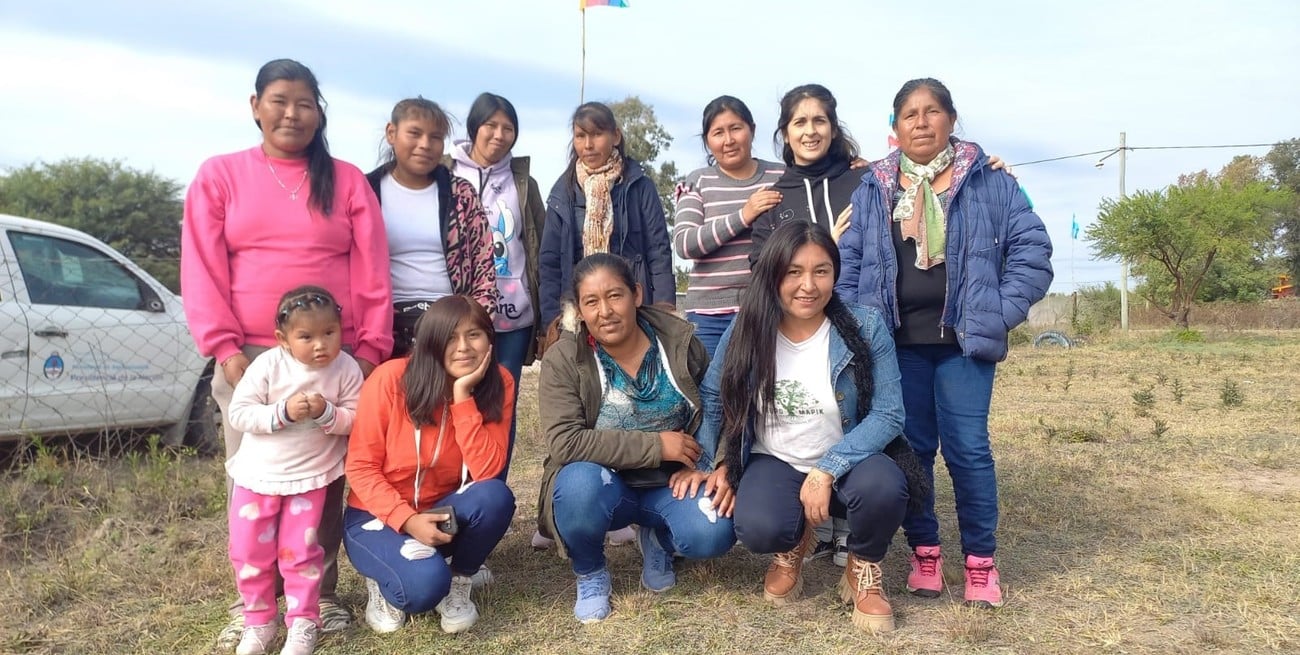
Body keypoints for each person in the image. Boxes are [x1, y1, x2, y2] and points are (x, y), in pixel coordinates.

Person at [181, 58, 392, 647]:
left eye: (304, 103)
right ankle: (254, 606)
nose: (291, 113)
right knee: (251, 480)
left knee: (321, 481)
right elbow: (201, 267)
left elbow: (372, 269)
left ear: (319, 114)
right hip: (249, 356)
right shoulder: (220, 175)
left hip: (333, 357)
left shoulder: (346, 181)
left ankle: (317, 601)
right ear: (256, 107)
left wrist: (368, 350)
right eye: (278, 101)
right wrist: (225, 348)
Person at [836, 78, 1053, 609]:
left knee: (968, 449)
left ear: (951, 119)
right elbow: (850, 266)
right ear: (895, 127)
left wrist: (997, 314)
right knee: (913, 451)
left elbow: (1032, 254)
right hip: (896, 346)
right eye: (909, 114)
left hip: (964, 344)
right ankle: (925, 553)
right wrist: (861, 328)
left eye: (932, 111)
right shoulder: (874, 187)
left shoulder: (989, 181)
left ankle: (981, 562)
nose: (921, 122)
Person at [697, 220, 927, 635]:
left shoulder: (865, 326)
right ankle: (792, 545)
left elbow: (889, 414)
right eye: (794, 272)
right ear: (773, 274)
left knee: (885, 488)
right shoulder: (747, 328)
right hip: (776, 458)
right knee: (759, 528)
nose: (808, 285)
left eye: (821, 271)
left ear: (835, 274)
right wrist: (709, 462)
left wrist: (827, 469)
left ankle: (863, 564)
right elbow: (714, 395)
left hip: (851, 459)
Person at [536, 253, 736, 623]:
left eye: (615, 296)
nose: (605, 311)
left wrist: (717, 463)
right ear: (580, 310)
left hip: (671, 483)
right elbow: (565, 442)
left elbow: (717, 408)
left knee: (714, 531)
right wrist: (656, 445)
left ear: (637, 294)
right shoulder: (564, 359)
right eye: (591, 302)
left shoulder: (678, 343)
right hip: (603, 483)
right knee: (577, 486)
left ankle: (660, 539)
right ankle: (591, 572)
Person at [343, 295, 516, 635]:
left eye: (474, 334)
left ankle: (459, 579)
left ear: (490, 339)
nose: (463, 347)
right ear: (431, 342)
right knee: (422, 590)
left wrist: (463, 397)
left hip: (441, 512)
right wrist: (407, 520)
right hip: (377, 516)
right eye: (450, 337)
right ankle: (383, 579)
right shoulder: (391, 379)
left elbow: (487, 472)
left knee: (495, 496)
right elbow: (361, 467)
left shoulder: (499, 382)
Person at [225, 286, 364, 655]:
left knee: (301, 551)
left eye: (329, 333)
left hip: (309, 478)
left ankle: (303, 621)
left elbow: (357, 419)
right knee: (248, 550)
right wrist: (281, 412)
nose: (320, 345)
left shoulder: (346, 369)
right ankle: (258, 621)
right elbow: (239, 414)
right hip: (258, 478)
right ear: (282, 339)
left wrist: (327, 413)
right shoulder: (268, 365)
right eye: (306, 337)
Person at [448, 92, 545, 481]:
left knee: (503, 403)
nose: (499, 135)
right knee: (454, 399)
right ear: (474, 127)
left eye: (508, 128)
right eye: (491, 125)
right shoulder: (445, 174)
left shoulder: (523, 183)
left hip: (513, 319)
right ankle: (453, 488)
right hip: (459, 318)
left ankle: (494, 491)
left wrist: (544, 318)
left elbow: (537, 247)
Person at [365, 97, 498, 358]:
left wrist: (474, 325)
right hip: (383, 326)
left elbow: (484, 265)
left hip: (450, 323)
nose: (425, 144)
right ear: (391, 133)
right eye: (414, 133)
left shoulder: (461, 194)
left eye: (435, 137)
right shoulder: (365, 191)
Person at [539, 101, 675, 334]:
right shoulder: (563, 193)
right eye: (580, 136)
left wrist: (664, 311)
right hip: (579, 313)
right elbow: (549, 264)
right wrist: (552, 322)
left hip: (633, 309)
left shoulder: (639, 186)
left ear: (616, 136)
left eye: (597, 134)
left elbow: (658, 252)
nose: (588, 145)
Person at [672, 95, 786, 358]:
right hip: (707, 317)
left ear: (752, 130)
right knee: (709, 384)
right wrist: (744, 215)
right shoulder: (697, 181)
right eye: (718, 133)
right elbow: (685, 244)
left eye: (736, 128)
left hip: (766, 308)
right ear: (707, 141)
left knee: (767, 383)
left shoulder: (780, 176)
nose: (729, 140)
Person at [747, 84, 862, 265]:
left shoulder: (864, 182)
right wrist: (827, 250)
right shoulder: (772, 204)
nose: (810, 131)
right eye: (800, 122)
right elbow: (760, 269)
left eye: (819, 121)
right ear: (786, 134)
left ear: (833, 130)